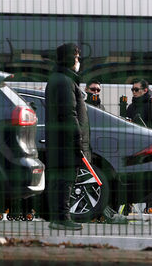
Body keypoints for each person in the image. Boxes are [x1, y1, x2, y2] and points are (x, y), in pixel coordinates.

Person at [45, 43, 90, 231]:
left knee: (60, 180)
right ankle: (62, 218)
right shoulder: (64, 81)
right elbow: (69, 114)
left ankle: (58, 217)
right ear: (69, 58)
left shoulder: (59, 78)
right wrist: (77, 140)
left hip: (59, 142)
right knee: (66, 180)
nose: (78, 61)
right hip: (65, 143)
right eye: (76, 57)